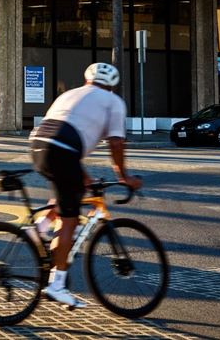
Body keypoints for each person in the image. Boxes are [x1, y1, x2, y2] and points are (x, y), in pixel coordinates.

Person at [29, 62, 142, 309]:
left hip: (38, 146)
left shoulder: (69, 94)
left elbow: (65, 132)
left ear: (87, 78)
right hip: (63, 150)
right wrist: (124, 176)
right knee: (70, 219)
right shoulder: (113, 102)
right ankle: (57, 286)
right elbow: (116, 144)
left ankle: (38, 229)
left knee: (66, 194)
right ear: (113, 84)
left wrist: (85, 177)